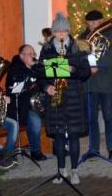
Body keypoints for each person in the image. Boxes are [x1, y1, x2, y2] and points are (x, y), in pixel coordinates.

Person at [36, 12, 91, 184]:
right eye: (57, 31)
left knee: (74, 135)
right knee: (58, 136)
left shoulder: (78, 48)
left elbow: (86, 72)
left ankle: (74, 170)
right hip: (55, 97)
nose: (61, 34)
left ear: (68, 32)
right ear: (53, 32)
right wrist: (47, 87)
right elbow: (39, 73)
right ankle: (61, 170)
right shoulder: (46, 49)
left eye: (64, 31)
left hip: (74, 95)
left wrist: (74, 70)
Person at [78, 10, 112, 160]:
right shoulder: (82, 38)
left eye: (95, 22)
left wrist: (98, 65)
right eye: (90, 23)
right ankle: (94, 148)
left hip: (106, 83)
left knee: (109, 116)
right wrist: (86, 66)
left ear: (102, 21)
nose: (92, 25)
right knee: (91, 119)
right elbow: (79, 56)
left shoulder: (110, 36)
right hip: (89, 83)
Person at [6, 44, 47, 162]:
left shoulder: (35, 67)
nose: (33, 57)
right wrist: (31, 71)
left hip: (37, 104)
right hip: (21, 107)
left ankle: (57, 147)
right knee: (35, 122)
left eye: (33, 54)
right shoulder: (15, 68)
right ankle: (35, 151)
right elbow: (15, 88)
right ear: (21, 56)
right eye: (29, 54)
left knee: (55, 113)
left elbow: (43, 80)